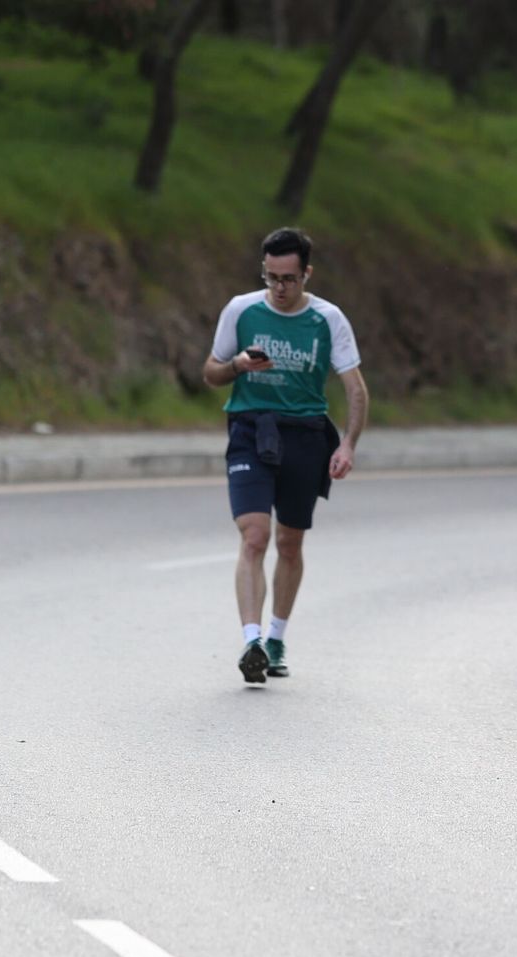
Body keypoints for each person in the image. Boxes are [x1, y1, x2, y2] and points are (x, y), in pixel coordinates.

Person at [202, 228, 368, 685]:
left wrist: (347, 444)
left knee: (289, 543)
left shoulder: (328, 319)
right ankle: (252, 640)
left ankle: (276, 636)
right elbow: (211, 373)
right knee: (254, 536)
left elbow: (355, 388)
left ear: (306, 274)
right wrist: (237, 365)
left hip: (305, 434)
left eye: (289, 278)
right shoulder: (241, 309)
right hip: (251, 429)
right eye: (271, 277)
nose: (280, 287)